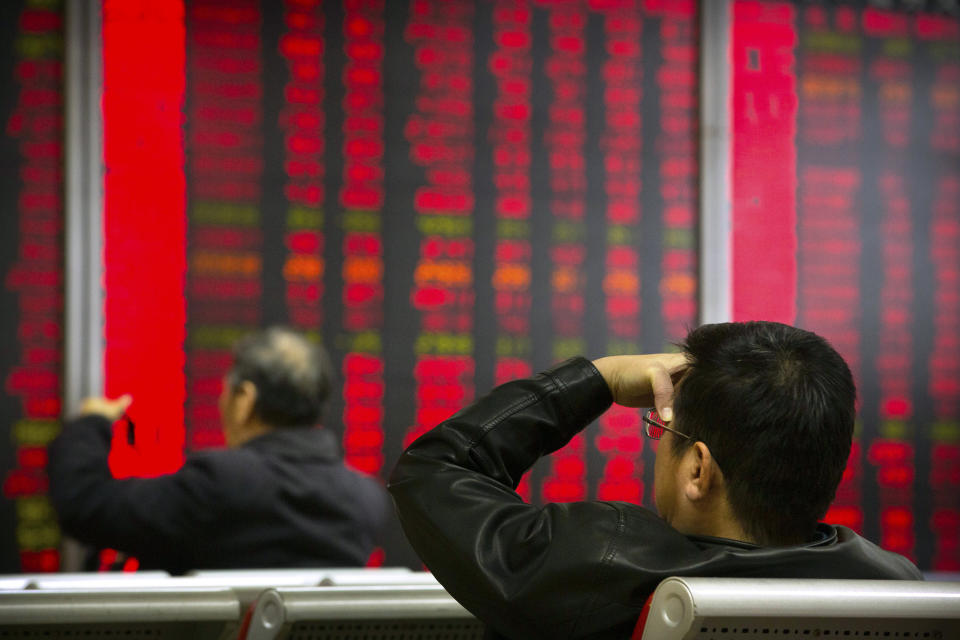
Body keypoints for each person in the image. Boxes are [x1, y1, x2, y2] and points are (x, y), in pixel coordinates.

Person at [388, 321, 922, 640]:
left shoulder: (600, 564)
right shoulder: (894, 592)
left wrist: (596, 378)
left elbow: (436, 469)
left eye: (661, 429)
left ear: (698, 470)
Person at [49, 326, 388, 574]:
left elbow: (84, 504)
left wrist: (91, 424)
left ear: (245, 400)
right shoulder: (365, 498)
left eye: (227, 390)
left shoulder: (219, 484)